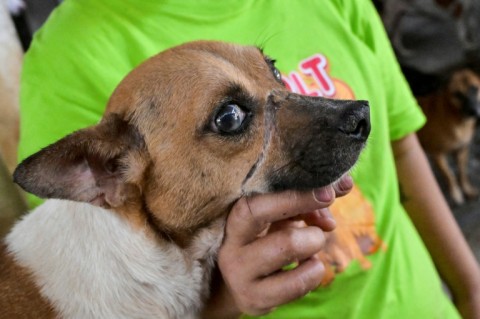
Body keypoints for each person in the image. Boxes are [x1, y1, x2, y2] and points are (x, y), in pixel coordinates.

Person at [18, 0, 480, 318]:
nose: (349, 120)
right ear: (101, 172)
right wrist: (225, 300)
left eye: (274, 69)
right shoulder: (67, 60)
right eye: (231, 118)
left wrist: (470, 290)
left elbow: (399, 146)